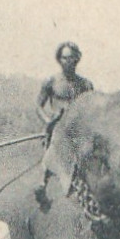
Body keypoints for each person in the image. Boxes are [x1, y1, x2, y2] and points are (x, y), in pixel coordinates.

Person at [35, 42, 93, 204]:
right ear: (59, 60)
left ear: (77, 59)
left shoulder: (86, 85)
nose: (68, 61)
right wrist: (48, 121)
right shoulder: (51, 82)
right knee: (53, 146)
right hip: (57, 126)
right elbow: (38, 105)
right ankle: (42, 183)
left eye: (71, 58)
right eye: (64, 58)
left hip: (79, 129)